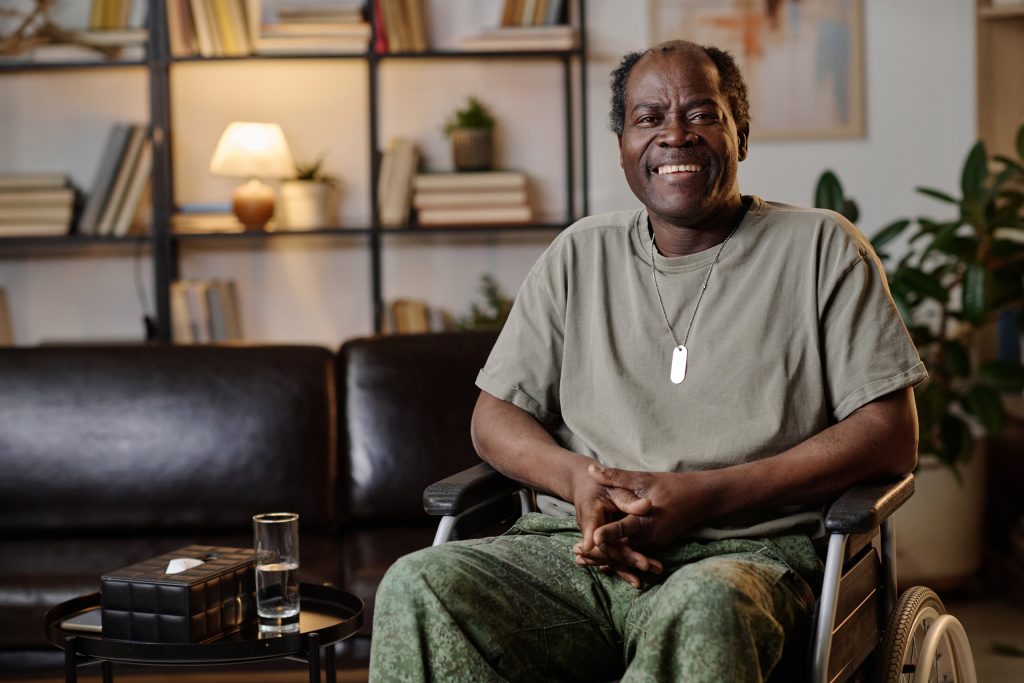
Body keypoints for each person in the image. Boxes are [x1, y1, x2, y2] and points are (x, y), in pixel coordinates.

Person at [369, 40, 926, 682]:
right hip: (573, 556)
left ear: (739, 134)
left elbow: (889, 435)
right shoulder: (580, 255)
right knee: (419, 584)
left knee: (704, 605)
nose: (675, 136)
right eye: (649, 118)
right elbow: (493, 418)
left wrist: (707, 494)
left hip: (743, 559)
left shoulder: (822, 249)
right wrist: (579, 480)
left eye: (700, 114)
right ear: (624, 145)